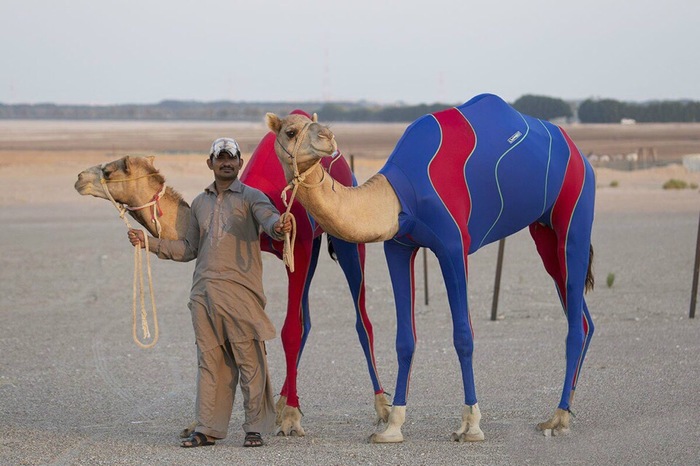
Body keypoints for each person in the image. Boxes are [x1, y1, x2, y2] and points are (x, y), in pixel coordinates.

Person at [128, 137, 292, 448]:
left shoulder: (252, 198)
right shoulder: (199, 203)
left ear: (240, 163)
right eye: (221, 158)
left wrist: (278, 226)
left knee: (249, 359)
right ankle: (208, 428)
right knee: (209, 361)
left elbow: (269, 220)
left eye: (232, 158)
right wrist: (147, 243)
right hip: (203, 295)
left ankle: (254, 427)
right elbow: (189, 248)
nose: (227, 163)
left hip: (240, 293)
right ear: (211, 163)